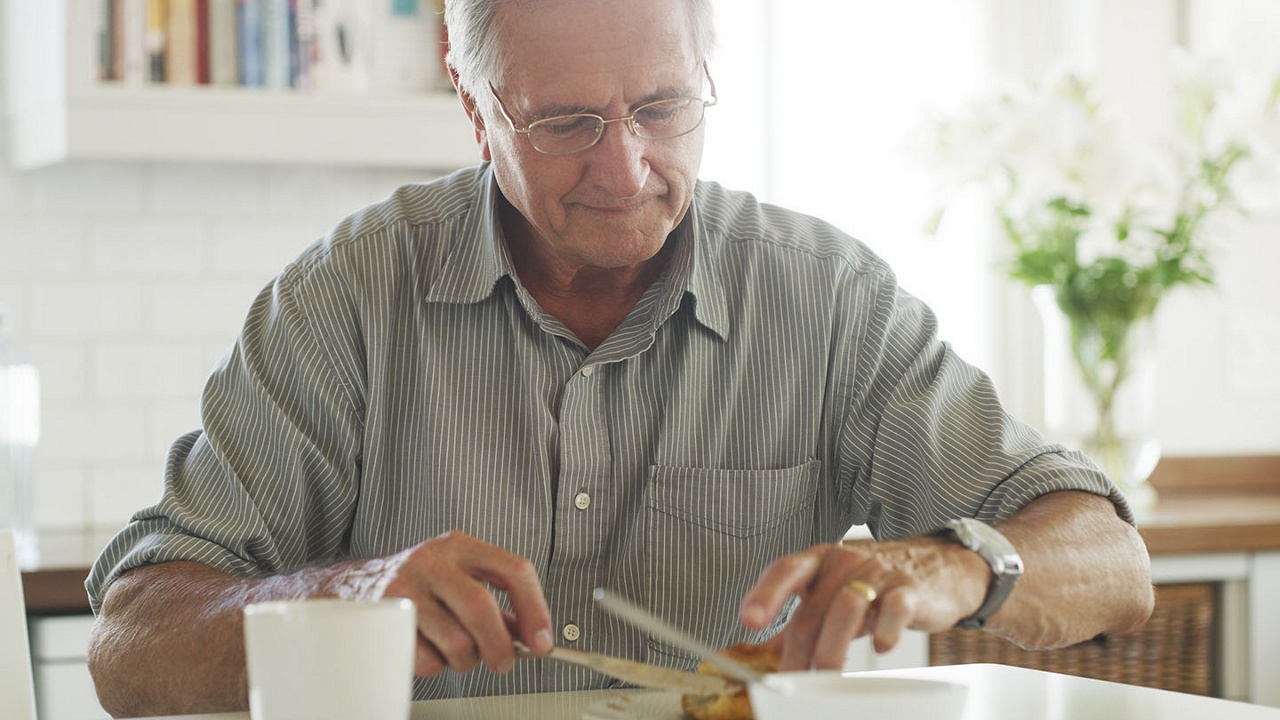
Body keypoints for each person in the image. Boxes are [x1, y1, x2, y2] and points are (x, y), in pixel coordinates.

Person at [85, 0, 1154, 715]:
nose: (625, 166)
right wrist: (346, 597)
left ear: (703, 77)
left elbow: (1110, 566)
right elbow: (129, 643)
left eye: (661, 108)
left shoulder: (825, 297)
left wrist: (949, 564)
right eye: (565, 122)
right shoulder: (350, 298)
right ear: (472, 106)